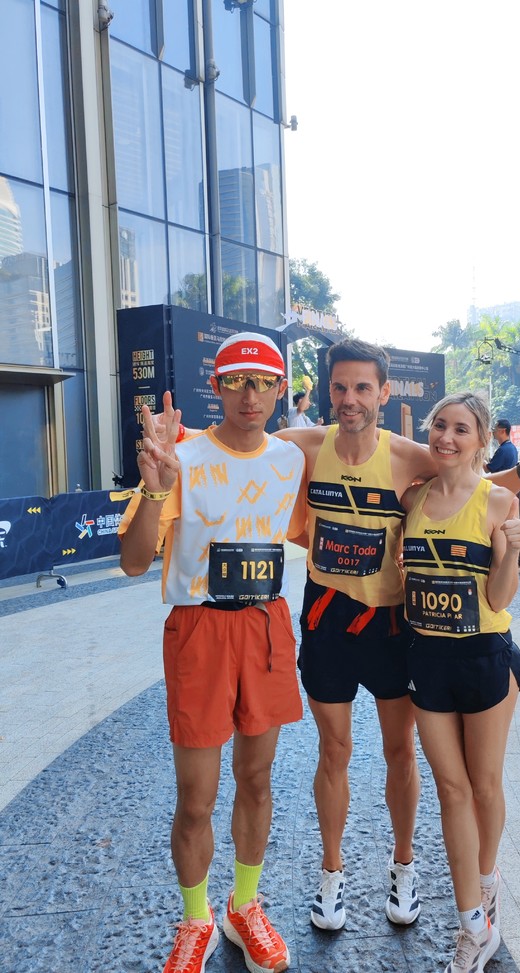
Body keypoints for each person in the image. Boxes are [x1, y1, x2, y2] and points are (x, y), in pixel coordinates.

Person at [160, 337, 520, 932]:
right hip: (327, 620)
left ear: (384, 392)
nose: (350, 398)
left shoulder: (405, 455)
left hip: (392, 625)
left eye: (363, 387)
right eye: (340, 387)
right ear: (328, 391)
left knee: (401, 751)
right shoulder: (303, 446)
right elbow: (237, 444)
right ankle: (332, 872)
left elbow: (468, 481)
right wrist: (175, 438)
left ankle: (404, 864)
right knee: (334, 751)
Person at [119, 332, 306, 973]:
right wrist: (154, 486)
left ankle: (244, 906)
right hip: (199, 629)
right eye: (235, 381)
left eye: (263, 382)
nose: (249, 395)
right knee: (196, 796)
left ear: (280, 390)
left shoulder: (290, 460)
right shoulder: (182, 457)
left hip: (265, 625)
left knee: (256, 780)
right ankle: (195, 917)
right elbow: (133, 561)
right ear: (216, 387)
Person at [400, 391, 520, 973]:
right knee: (450, 790)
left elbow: (501, 597)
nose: (446, 437)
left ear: (482, 439)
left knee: (483, 786)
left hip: (483, 657)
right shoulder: (413, 498)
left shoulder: (498, 501)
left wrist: (510, 553)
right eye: (440, 426)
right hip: (426, 657)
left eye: (460, 428)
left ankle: (486, 881)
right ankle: (473, 926)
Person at [485, 419, 520, 575]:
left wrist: (479, 457)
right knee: (510, 527)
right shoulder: (512, 448)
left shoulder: (503, 450)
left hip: (501, 495)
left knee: (504, 529)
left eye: (495, 429)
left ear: (502, 430)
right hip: (510, 493)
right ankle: (519, 560)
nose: (493, 432)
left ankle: (517, 561)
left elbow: (489, 468)